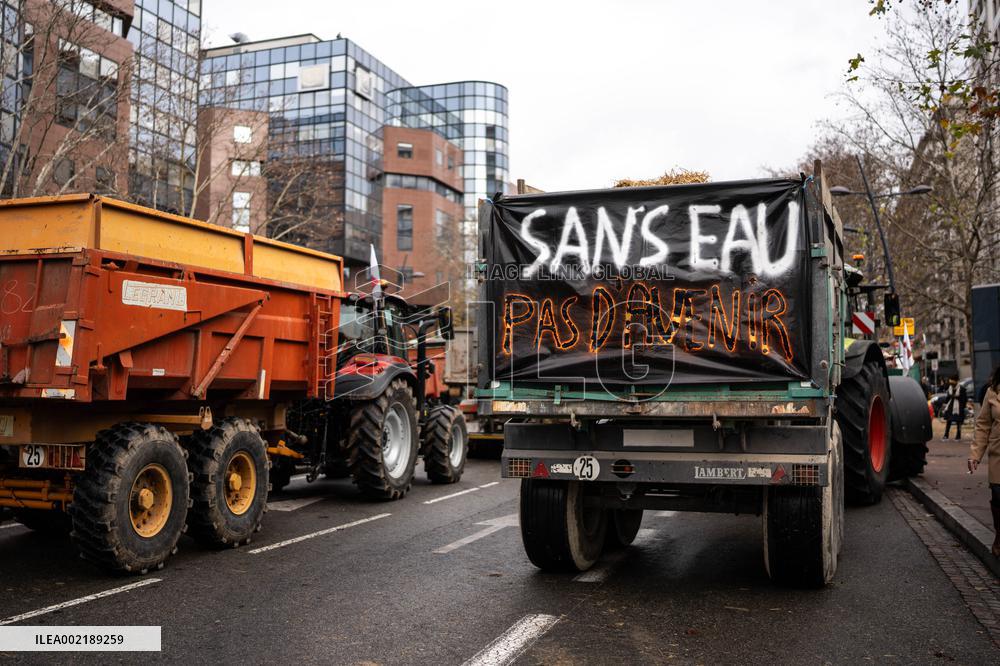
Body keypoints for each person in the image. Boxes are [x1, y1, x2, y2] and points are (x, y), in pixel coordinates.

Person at [969, 364, 1000, 557]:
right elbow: (983, 425)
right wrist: (975, 455)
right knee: (998, 496)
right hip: (998, 456)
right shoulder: (993, 391)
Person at [942, 376, 968, 440]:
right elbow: (948, 397)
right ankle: (946, 435)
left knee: (958, 422)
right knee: (949, 421)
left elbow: (964, 399)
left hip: (958, 407)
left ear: (956, 382)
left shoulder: (962, 389)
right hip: (950, 406)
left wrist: (956, 397)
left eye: (953, 383)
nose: (952, 385)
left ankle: (958, 435)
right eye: (951, 383)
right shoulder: (950, 388)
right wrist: (945, 403)